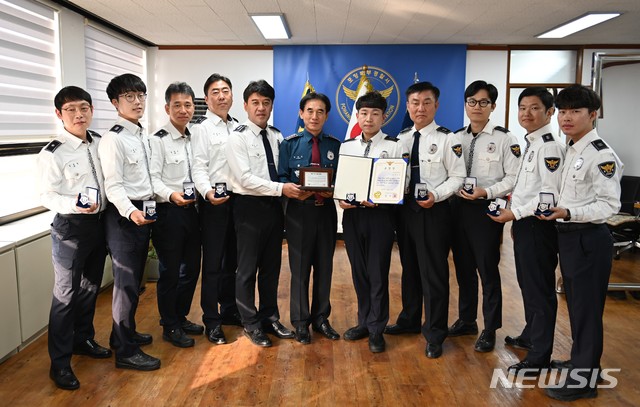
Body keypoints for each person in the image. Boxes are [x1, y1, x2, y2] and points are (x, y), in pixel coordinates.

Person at [539, 84, 622, 402]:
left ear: (593, 115)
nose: (566, 117)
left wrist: (570, 211)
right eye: (562, 111)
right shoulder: (573, 147)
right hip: (570, 237)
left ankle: (583, 380)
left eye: (575, 111)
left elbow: (608, 205)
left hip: (588, 238)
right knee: (577, 307)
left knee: (586, 310)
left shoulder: (601, 154)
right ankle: (584, 363)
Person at [37, 86, 110, 390]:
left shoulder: (101, 143)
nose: (79, 115)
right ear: (59, 114)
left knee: (90, 288)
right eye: (71, 110)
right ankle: (60, 364)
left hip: (100, 225)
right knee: (65, 296)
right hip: (70, 228)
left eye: (84, 108)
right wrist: (75, 205)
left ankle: (83, 340)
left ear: (92, 110)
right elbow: (46, 194)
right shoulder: (53, 152)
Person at [488, 87, 565, 374]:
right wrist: (514, 216)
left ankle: (539, 356)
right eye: (522, 108)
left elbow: (549, 195)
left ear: (549, 112)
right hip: (524, 224)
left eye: (534, 108)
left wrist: (515, 213)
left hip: (538, 226)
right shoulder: (532, 143)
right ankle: (531, 335)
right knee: (528, 286)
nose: (526, 114)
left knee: (539, 291)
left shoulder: (549, 147)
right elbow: (524, 188)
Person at [386, 82, 465, 359]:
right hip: (406, 210)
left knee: (433, 273)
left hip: (435, 211)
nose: (420, 108)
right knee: (409, 268)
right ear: (407, 106)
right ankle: (409, 319)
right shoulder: (402, 139)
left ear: (436, 105)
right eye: (415, 103)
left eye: (426, 102)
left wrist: (436, 194)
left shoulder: (448, 139)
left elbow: (458, 177)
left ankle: (434, 332)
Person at [225, 80, 301, 347]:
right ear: (245, 105)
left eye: (266, 103)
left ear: (271, 106)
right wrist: (282, 188)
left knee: (271, 268)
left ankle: (270, 317)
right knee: (246, 270)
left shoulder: (277, 136)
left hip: (274, 208)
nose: (261, 108)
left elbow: (285, 171)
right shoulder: (237, 137)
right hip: (248, 208)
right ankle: (250, 322)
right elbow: (244, 179)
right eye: (255, 102)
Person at [449, 80, 520, 352]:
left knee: (487, 270)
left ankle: (490, 328)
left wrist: (486, 191)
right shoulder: (456, 137)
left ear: (492, 106)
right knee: (463, 268)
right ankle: (467, 320)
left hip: (486, 210)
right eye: (472, 102)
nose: (477, 107)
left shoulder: (505, 139)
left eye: (483, 102)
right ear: (465, 104)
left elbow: (514, 177)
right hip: (457, 210)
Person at [339, 90, 409, 353]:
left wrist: (382, 198)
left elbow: (403, 184)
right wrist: (341, 200)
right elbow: (342, 181)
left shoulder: (394, 146)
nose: (369, 118)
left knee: (378, 272)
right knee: (359, 272)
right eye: (364, 113)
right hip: (353, 216)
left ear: (384, 117)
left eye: (375, 113)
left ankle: (377, 329)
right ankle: (363, 323)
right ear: (357, 116)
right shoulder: (347, 146)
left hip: (380, 215)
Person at [99, 73, 160, 371]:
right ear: (115, 102)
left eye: (141, 96)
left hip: (143, 212)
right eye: (129, 97)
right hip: (125, 216)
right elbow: (114, 186)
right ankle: (125, 352)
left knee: (135, 282)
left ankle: (122, 334)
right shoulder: (113, 139)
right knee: (125, 285)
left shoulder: (141, 135)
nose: (137, 102)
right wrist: (131, 212)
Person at [277, 92, 342, 344]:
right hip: (298, 213)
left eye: (320, 112)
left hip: (325, 212)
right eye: (310, 111)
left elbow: (342, 179)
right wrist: (292, 190)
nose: (315, 116)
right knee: (300, 269)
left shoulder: (335, 145)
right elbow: (281, 177)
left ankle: (321, 318)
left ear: (326, 115)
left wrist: (332, 190)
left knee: (325, 268)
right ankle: (301, 322)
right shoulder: (289, 144)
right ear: (301, 113)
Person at [149, 82, 201, 348]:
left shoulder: (195, 137)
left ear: (194, 107)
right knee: (170, 272)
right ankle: (169, 324)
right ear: (167, 108)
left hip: (193, 212)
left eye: (188, 105)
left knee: (191, 269)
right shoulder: (157, 140)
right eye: (177, 105)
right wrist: (171, 195)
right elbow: (153, 180)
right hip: (169, 212)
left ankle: (180, 316)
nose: (183, 110)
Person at [191, 73, 241, 346]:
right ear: (207, 98)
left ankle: (230, 311)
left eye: (225, 91)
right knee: (212, 264)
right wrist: (207, 192)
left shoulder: (239, 127)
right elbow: (198, 166)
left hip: (239, 202)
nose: (221, 96)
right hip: (213, 203)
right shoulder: (201, 129)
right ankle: (212, 320)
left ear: (232, 95)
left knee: (233, 262)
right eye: (215, 92)